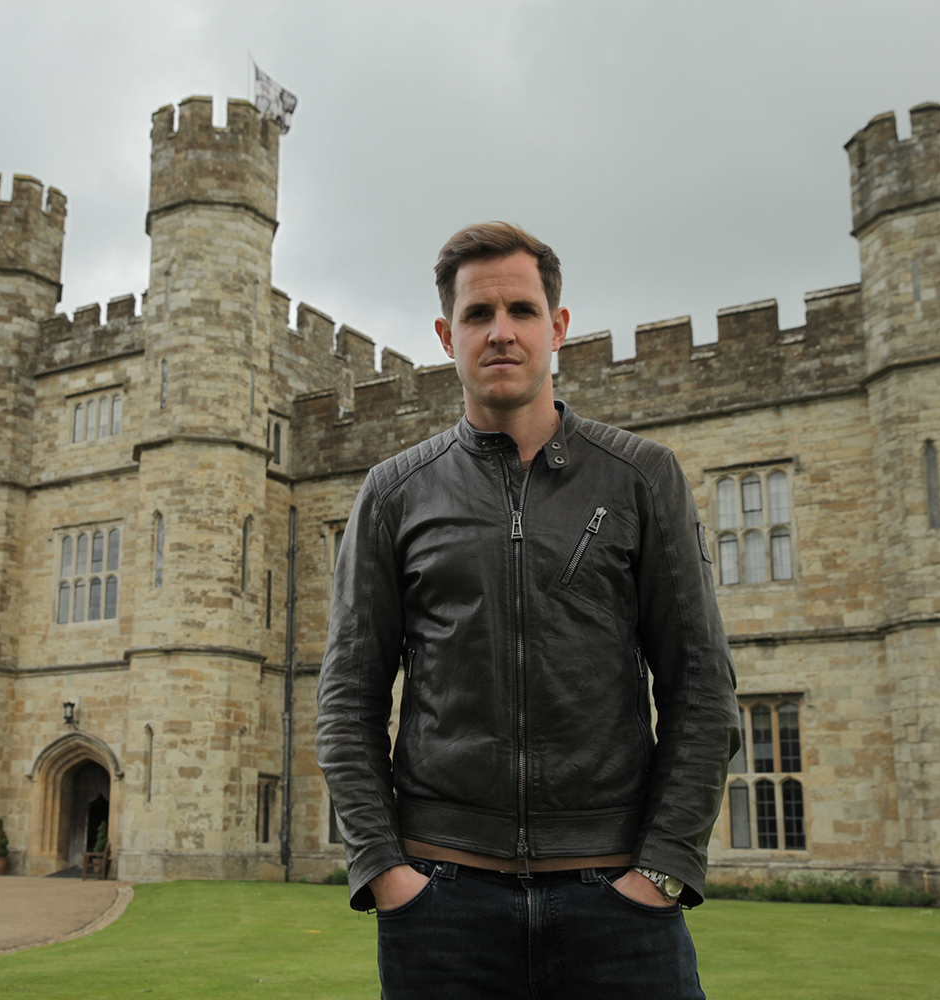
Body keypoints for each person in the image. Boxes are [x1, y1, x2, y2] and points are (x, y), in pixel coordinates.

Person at [316, 222, 740, 999]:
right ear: (447, 336)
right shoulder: (394, 493)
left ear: (558, 326)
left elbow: (703, 688)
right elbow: (347, 698)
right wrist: (384, 870)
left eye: (522, 310)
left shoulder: (640, 478)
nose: (501, 332)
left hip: (618, 898)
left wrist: (662, 872)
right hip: (442, 903)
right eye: (478, 314)